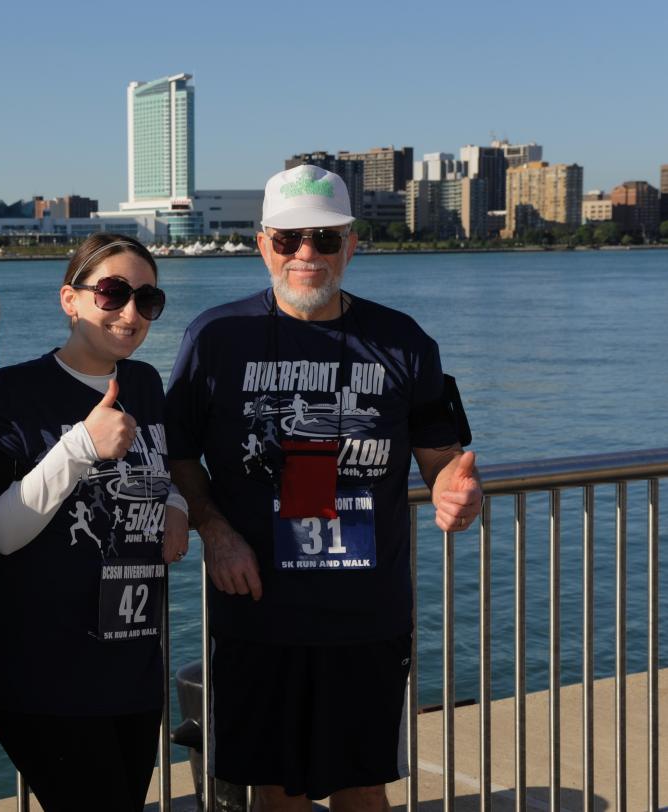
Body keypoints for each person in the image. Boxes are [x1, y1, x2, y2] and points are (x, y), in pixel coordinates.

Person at [165, 165, 483, 811]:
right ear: (262, 245)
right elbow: (175, 451)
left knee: (363, 785)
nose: (305, 253)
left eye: (324, 238)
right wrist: (215, 530)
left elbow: (440, 460)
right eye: (288, 240)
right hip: (256, 611)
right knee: (275, 787)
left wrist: (457, 492)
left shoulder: (404, 343)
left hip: (367, 616)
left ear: (351, 245)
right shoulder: (216, 338)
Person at [0, 233, 190, 812]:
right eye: (112, 293)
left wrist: (178, 507)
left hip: (132, 666)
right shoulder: (11, 393)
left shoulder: (144, 384)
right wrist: (82, 445)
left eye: (148, 299)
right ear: (71, 299)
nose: (131, 313)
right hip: (46, 674)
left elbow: (166, 470)